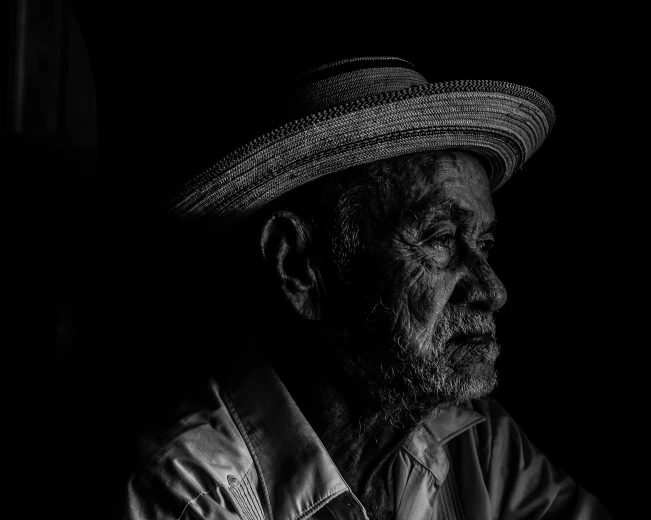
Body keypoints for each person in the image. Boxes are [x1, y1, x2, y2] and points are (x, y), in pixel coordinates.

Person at [124, 56, 611, 520]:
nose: (493, 289)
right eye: (441, 240)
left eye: (482, 245)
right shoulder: (189, 491)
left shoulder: (472, 439)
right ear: (299, 265)